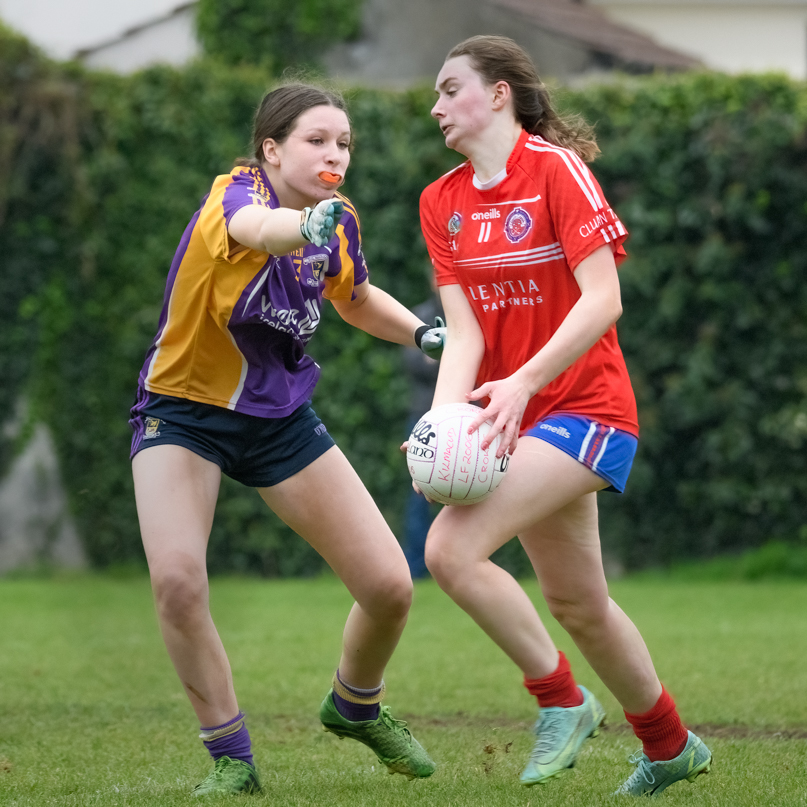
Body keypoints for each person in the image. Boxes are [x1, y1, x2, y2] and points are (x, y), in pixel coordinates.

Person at [129, 82, 443, 797]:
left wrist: (425, 333)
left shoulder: (337, 221)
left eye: (344, 143)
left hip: (279, 422)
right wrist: (302, 226)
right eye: (316, 140)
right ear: (271, 150)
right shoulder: (235, 196)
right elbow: (256, 232)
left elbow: (354, 296)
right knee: (178, 581)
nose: (335, 154)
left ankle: (355, 704)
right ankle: (231, 757)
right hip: (183, 412)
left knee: (391, 586)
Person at [418, 36, 712, 796]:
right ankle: (670, 744)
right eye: (436, 95)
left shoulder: (557, 171)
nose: (436, 106)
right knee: (578, 603)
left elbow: (602, 299)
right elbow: (468, 336)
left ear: (498, 95)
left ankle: (561, 700)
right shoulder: (440, 201)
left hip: (585, 408)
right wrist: (438, 430)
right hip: (513, 419)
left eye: (451, 90)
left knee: (450, 551)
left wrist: (521, 383)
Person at [401, 278, 444, 577]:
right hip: (423, 416)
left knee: (469, 490)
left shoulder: (471, 314)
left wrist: (441, 356)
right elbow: (413, 362)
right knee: (418, 497)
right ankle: (417, 567)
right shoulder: (419, 317)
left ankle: (466, 556)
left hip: (464, 415)